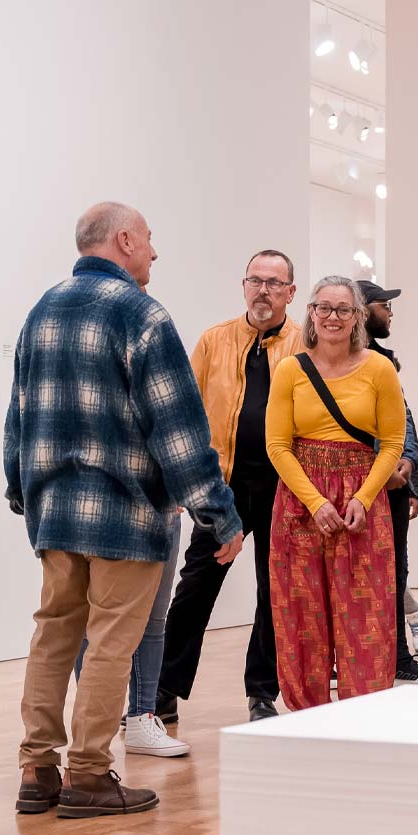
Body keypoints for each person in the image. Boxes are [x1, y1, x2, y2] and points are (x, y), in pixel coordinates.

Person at [7, 202, 243, 819]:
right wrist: (217, 513)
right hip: (127, 512)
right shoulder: (142, 314)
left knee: (53, 634)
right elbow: (178, 430)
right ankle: (88, 774)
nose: (155, 253)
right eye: (150, 241)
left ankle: (38, 771)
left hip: (55, 509)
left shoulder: (41, 310)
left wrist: (19, 487)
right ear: (124, 239)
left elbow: (19, 414)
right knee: (112, 644)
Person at [156, 250, 303, 726]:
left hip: (286, 488)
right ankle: (163, 689)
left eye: (274, 283)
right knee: (197, 583)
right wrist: (179, 483)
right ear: (244, 285)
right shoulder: (215, 340)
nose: (263, 290)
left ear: (290, 292)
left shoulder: (306, 344)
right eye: (255, 281)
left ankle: (262, 692)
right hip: (223, 490)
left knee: (274, 592)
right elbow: (183, 412)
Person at [265, 275, 406, 709]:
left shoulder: (379, 369)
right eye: (324, 308)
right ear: (310, 312)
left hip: (361, 500)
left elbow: (393, 444)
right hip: (301, 500)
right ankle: (306, 718)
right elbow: (277, 445)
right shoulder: (290, 369)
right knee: (301, 615)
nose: (333, 317)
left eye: (343, 309)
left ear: (357, 317)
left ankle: (364, 717)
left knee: (366, 615)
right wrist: (315, 501)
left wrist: (362, 498)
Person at [359, 278, 418, 685]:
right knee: (367, 573)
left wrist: (409, 477)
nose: (389, 312)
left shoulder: (384, 362)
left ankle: (396, 659)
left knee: (394, 572)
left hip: (391, 484)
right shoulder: (346, 361)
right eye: (383, 304)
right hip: (361, 483)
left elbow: (401, 420)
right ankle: (378, 660)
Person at [76, 510, 189, 757]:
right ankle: (88, 727)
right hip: (106, 509)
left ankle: (142, 719)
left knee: (154, 618)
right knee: (92, 622)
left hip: (164, 513)